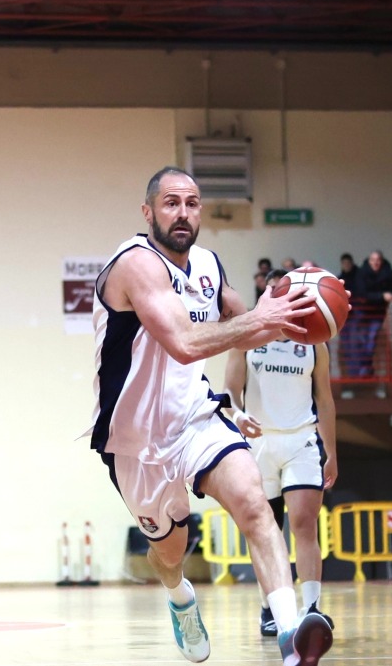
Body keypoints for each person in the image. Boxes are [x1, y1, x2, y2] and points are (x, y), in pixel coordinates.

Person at [90, 167, 334, 665]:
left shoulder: (208, 267)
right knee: (171, 552)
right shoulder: (135, 263)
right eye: (172, 203)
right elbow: (183, 343)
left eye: (193, 203)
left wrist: (301, 309)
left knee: (253, 506)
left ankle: (290, 635)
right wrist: (261, 319)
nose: (183, 213)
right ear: (148, 212)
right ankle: (180, 597)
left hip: (197, 417)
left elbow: (247, 329)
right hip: (134, 439)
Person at [223, 269, 339, 638]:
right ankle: (270, 607)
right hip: (259, 443)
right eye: (275, 292)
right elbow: (230, 390)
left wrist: (331, 451)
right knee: (266, 533)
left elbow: (325, 398)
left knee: (305, 524)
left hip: (301, 440)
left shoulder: (314, 341)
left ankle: (311, 608)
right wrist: (238, 416)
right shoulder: (247, 338)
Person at [352, 250, 392, 382]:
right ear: (369, 260)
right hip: (362, 312)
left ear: (381, 261)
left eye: (378, 260)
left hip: (378, 313)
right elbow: (361, 293)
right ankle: (365, 368)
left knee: (371, 340)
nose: (375, 262)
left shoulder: (388, 273)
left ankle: (366, 369)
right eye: (373, 260)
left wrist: (381, 297)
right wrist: (381, 296)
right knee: (361, 341)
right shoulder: (362, 272)